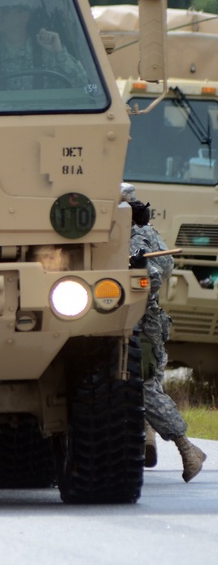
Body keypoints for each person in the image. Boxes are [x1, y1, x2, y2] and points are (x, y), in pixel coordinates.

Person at [123, 182, 207, 481]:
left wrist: (134, 269)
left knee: (143, 386)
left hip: (141, 323)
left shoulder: (138, 236)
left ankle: (187, 448)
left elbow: (155, 277)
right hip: (132, 322)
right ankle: (145, 440)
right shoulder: (134, 234)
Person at [0, 0, 87, 91]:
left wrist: (59, 53)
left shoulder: (47, 50)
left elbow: (83, 87)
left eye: (5, 10)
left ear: (24, 16)